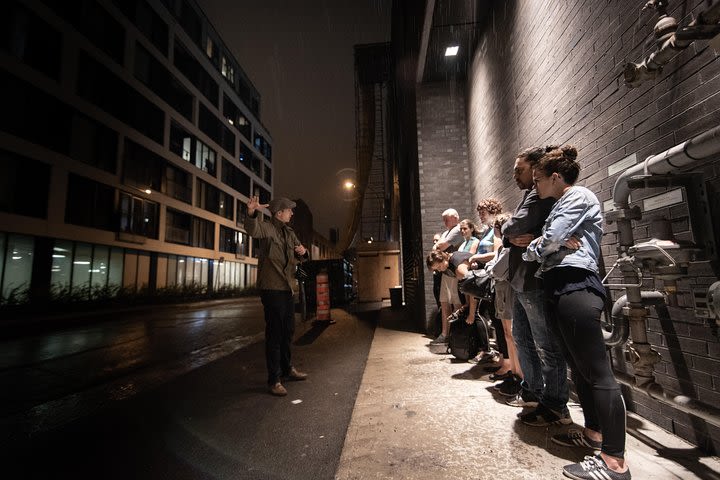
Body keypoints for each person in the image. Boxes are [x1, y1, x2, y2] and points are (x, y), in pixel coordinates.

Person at [524, 146, 630, 480]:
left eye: (538, 180)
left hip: (576, 285)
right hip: (559, 285)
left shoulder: (577, 196)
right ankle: (594, 435)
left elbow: (549, 239)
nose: (535, 186)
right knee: (580, 370)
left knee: (598, 372)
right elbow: (547, 242)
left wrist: (541, 245)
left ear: (555, 177)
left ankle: (615, 461)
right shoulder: (559, 204)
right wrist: (545, 244)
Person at [501, 145, 571, 421]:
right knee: (522, 337)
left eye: (520, 170)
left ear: (536, 169)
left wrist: (507, 229)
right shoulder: (530, 195)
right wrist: (508, 233)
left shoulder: (539, 195)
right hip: (521, 280)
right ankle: (532, 391)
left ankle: (555, 404)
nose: (515, 175)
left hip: (533, 280)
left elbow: (513, 225)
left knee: (545, 343)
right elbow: (510, 231)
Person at [246, 195, 309, 397]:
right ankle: (274, 380)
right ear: (279, 213)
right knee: (275, 333)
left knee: (288, 330)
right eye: (289, 210)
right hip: (272, 288)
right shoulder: (267, 228)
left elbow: (302, 256)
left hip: (287, 288)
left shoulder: (289, 233)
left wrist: (303, 251)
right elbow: (252, 229)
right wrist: (251, 212)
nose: (291, 213)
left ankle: (287, 369)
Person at [431, 208, 465, 344]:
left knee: (456, 304)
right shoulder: (446, 232)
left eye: (447, 219)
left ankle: (455, 336)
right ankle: (445, 334)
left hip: (453, 271)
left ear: (456, 217)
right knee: (444, 303)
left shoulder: (457, 229)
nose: (444, 222)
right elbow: (437, 246)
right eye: (443, 219)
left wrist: (438, 246)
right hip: (445, 272)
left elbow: (441, 245)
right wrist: (438, 246)